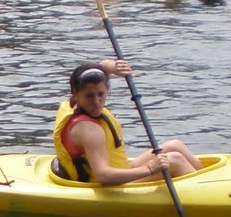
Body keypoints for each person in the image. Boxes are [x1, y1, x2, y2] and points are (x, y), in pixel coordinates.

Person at [53, 58, 202, 185]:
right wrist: (149, 169)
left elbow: (100, 67)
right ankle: (204, 194)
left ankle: (211, 182)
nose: (97, 102)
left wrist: (113, 67)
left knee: (174, 146)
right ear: (75, 92)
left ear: (107, 89)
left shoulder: (73, 102)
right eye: (90, 96)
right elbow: (103, 176)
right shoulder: (88, 129)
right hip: (109, 185)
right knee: (174, 160)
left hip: (122, 169)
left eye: (101, 94)